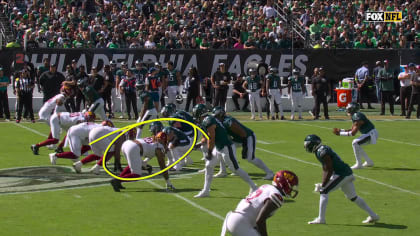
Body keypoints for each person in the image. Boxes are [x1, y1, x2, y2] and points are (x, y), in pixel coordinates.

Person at [304, 134, 379, 224]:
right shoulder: (320, 150)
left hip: (342, 174)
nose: (306, 146)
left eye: (308, 144)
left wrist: (323, 185)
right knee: (353, 197)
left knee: (324, 191)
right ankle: (373, 215)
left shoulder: (322, 151)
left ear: (313, 144)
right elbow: (325, 168)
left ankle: (321, 219)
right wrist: (323, 183)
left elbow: (329, 168)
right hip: (344, 172)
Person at [192, 104, 257, 198]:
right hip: (219, 147)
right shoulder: (208, 120)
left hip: (226, 147)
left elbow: (212, 138)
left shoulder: (208, 120)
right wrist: (199, 145)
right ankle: (206, 190)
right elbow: (208, 137)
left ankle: (253, 186)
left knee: (235, 169)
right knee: (209, 165)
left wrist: (209, 152)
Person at [221, 170, 299, 236]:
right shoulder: (277, 196)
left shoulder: (266, 186)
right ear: (284, 184)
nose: (292, 189)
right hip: (241, 222)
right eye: (291, 185)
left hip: (233, 218)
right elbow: (260, 220)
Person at [212, 107, 274, 180]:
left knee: (250, 158)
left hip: (248, 137)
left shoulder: (228, 122)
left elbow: (243, 133)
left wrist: (245, 147)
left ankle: (270, 172)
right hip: (237, 139)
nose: (215, 118)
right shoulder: (221, 122)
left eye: (216, 116)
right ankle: (223, 171)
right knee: (223, 149)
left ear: (221, 115)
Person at [110, 131, 176, 192]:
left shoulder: (152, 139)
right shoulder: (158, 147)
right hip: (133, 148)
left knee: (132, 166)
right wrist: (168, 181)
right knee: (136, 175)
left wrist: (144, 164)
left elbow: (148, 154)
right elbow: (162, 166)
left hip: (127, 144)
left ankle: (118, 181)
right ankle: (117, 180)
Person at [332, 102, 378, 169]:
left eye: (349, 108)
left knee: (355, 143)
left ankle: (359, 164)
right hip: (370, 133)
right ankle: (369, 161)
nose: (347, 110)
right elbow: (351, 129)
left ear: (352, 109)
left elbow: (353, 133)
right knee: (357, 145)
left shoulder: (357, 116)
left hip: (370, 134)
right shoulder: (355, 115)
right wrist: (341, 130)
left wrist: (340, 134)